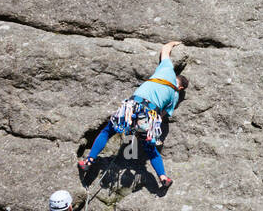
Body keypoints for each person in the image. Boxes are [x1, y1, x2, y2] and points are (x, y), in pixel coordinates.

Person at [79, 41, 188, 187]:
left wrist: (173, 43)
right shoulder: (174, 95)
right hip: (149, 116)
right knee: (150, 148)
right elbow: (161, 116)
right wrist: (145, 128)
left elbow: (165, 50)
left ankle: (89, 161)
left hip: (132, 107)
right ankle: (163, 177)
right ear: (180, 87)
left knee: (107, 131)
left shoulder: (167, 69)